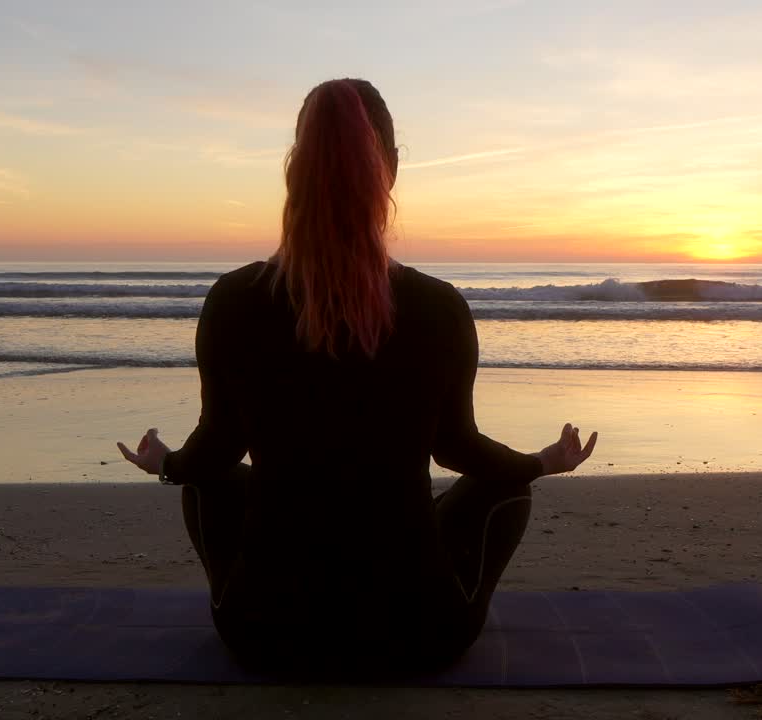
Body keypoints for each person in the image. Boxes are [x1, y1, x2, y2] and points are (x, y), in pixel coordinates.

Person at [118, 78, 597, 676]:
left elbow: (217, 449)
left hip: (266, 635)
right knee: (506, 488)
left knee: (204, 482)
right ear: (389, 169)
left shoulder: (236, 298)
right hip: (417, 636)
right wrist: (543, 461)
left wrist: (165, 463)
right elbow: (456, 449)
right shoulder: (437, 305)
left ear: (294, 169)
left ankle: (238, 590)